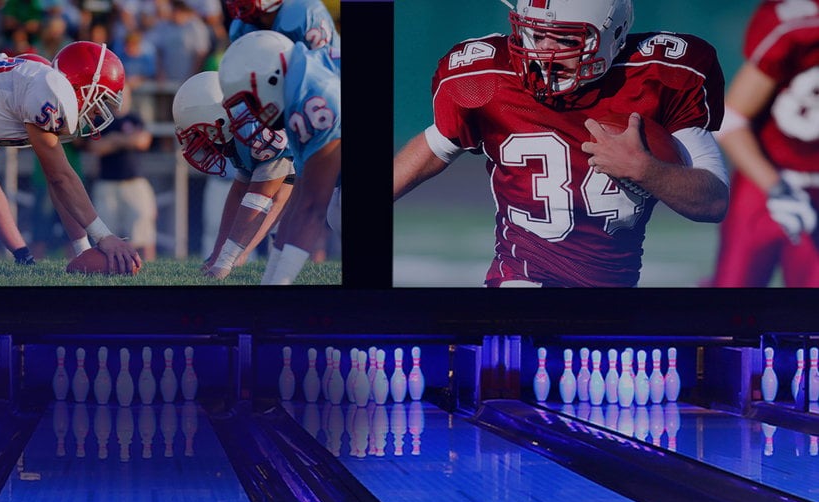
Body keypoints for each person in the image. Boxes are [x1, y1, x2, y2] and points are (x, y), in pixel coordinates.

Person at [393, 0, 729, 288]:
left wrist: (645, 170)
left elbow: (713, 202)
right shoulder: (488, 79)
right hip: (521, 281)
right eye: (536, 34)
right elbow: (436, 146)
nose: (544, 52)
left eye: (566, 39)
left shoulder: (660, 76)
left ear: (613, 35)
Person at [0, 40, 143, 273]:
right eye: (100, 99)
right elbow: (60, 179)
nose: (98, 110)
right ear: (82, 85)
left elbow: (57, 185)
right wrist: (104, 236)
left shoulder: (20, 89)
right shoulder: (44, 92)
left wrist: (82, 248)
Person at [710, 0, 819, 287]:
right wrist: (777, 188)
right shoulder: (799, 25)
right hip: (766, 181)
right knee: (732, 298)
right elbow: (731, 119)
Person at [218, 30, 340, 285]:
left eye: (250, 100)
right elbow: (297, 201)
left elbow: (310, 209)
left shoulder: (316, 98)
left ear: (271, 79)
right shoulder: (298, 83)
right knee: (334, 212)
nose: (251, 112)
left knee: (334, 211)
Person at [173, 71, 295, 280]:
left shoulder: (255, 127)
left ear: (219, 120)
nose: (201, 143)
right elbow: (239, 193)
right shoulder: (239, 130)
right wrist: (218, 253)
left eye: (199, 134)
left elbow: (263, 200)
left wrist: (225, 263)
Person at [80, 86, 158, 261]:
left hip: (134, 182)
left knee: (142, 230)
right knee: (105, 234)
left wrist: (114, 140)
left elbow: (143, 141)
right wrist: (126, 140)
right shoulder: (101, 120)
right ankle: (107, 267)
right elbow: (95, 147)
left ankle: (146, 266)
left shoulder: (135, 118)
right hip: (106, 183)